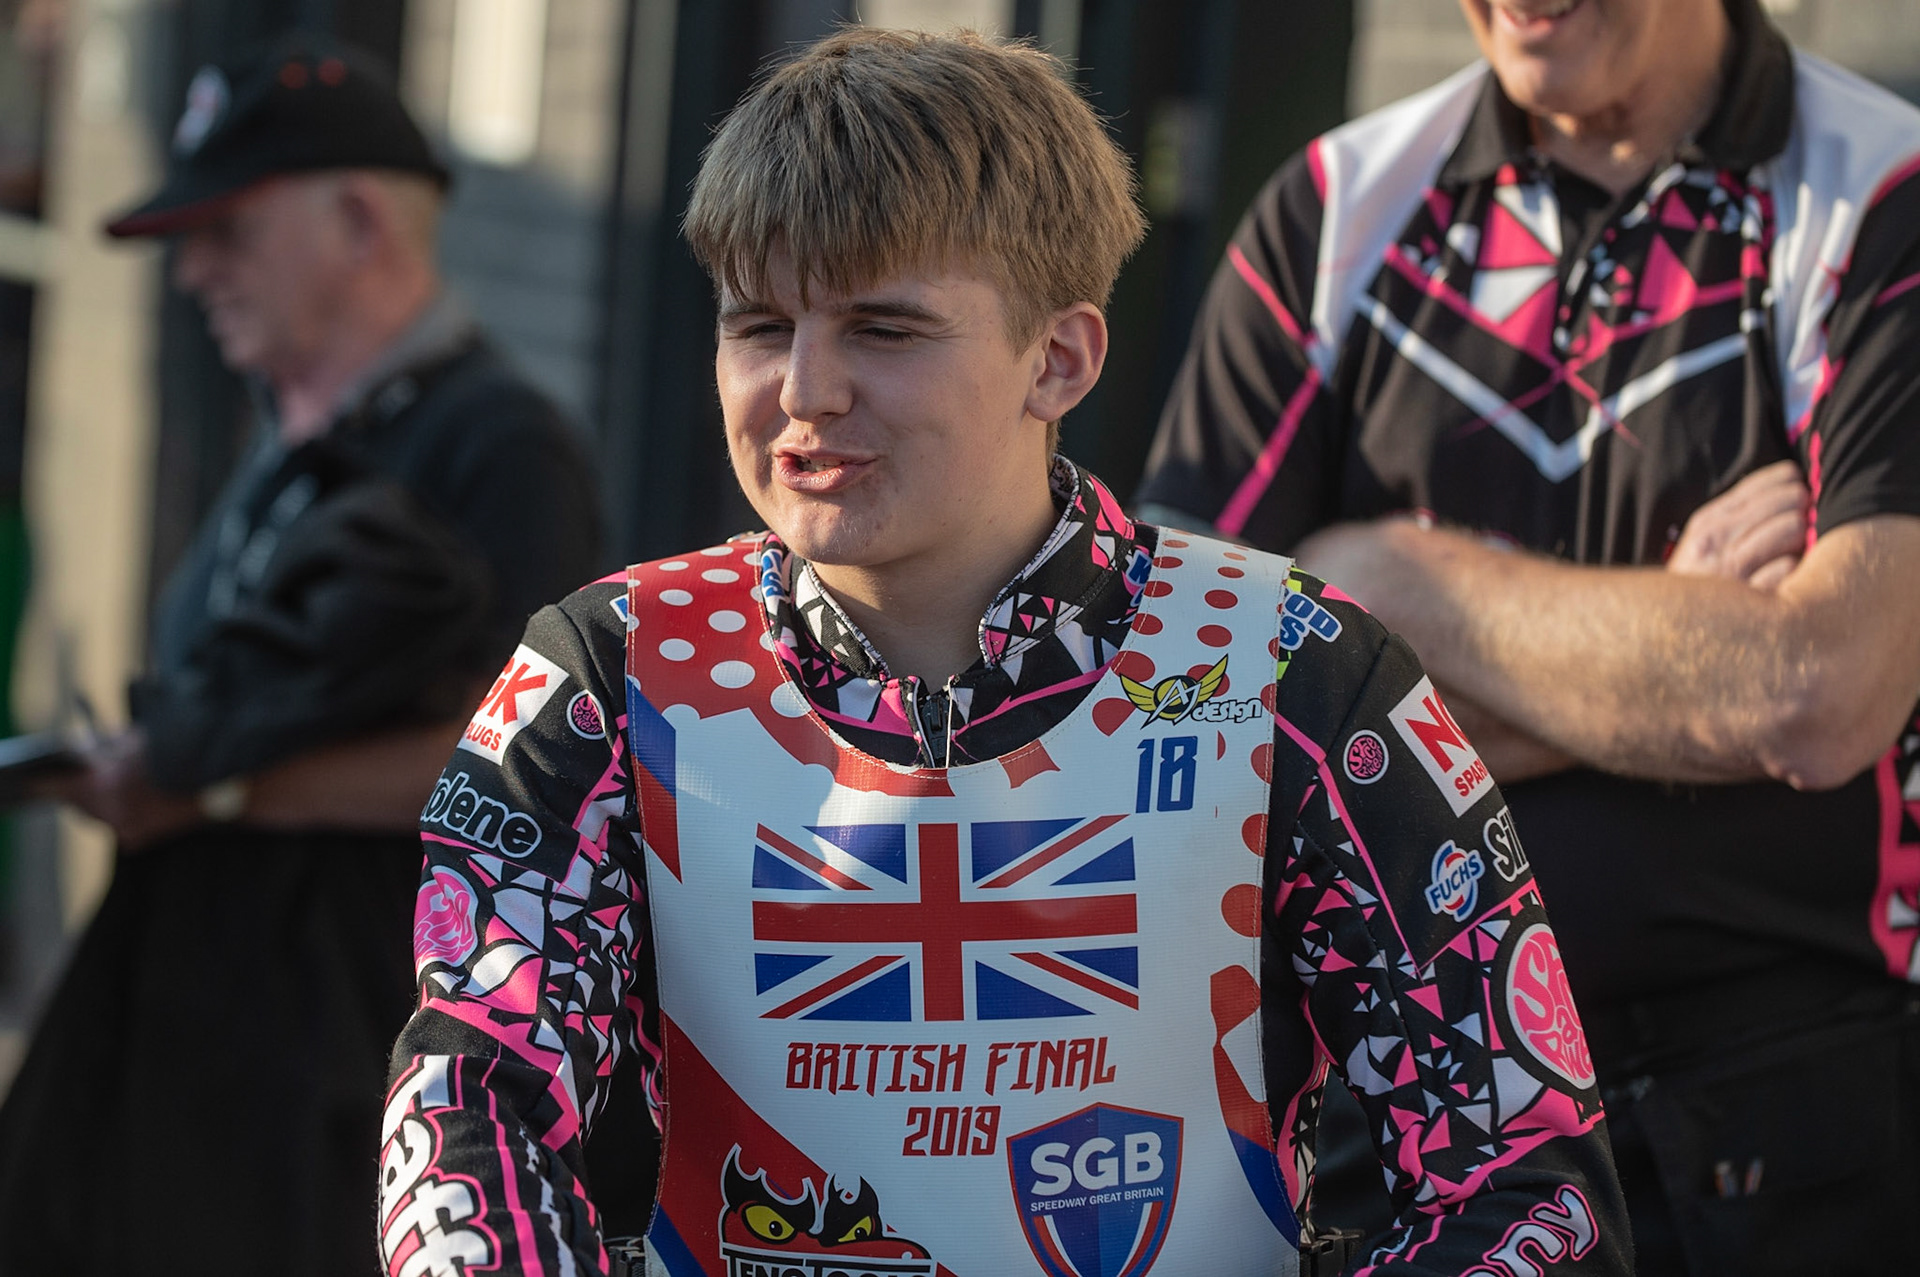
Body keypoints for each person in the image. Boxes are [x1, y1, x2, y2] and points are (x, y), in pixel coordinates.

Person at [380, 27, 1629, 1277]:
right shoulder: (608, 675)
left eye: (883, 328)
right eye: (759, 325)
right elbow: (467, 1103)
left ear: (1060, 358)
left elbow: (1524, 1177)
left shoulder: (1289, 667)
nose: (805, 389)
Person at [1134, 0, 1920, 1271]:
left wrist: (1368, 583)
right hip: (1400, 1105)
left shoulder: (1885, 194)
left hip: (1777, 1121)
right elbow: (1176, 690)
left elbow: (1821, 691)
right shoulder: (1335, 205)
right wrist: (1682, 631)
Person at [0, 36, 603, 1275]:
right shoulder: (290, 428)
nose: (193, 273)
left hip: (330, 1080)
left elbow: (530, 763)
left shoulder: (499, 443)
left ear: (359, 218)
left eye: (228, 231)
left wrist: (216, 788)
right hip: (189, 1063)